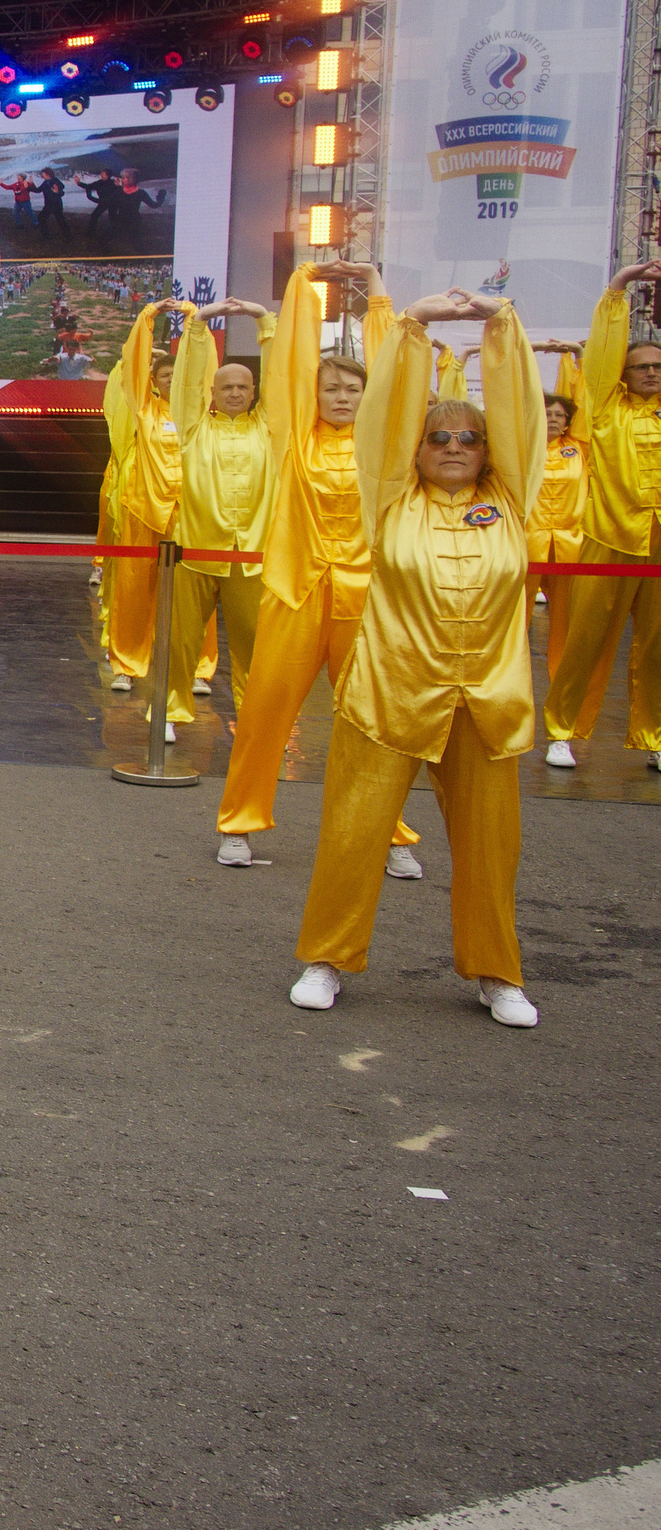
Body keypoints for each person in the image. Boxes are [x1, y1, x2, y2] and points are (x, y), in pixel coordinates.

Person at [289, 288, 542, 1027]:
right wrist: (413, 329)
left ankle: (499, 973)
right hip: (388, 695)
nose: (455, 448)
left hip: (488, 700)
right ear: (419, 451)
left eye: (469, 439)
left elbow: (523, 414)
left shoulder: (512, 503)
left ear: (489, 452)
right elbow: (386, 419)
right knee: (353, 833)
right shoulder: (390, 498)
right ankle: (325, 958)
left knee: (492, 849)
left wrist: (501, 332)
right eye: (441, 439)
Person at [214, 262, 420, 876]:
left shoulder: (386, 447)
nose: (340, 397)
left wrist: (376, 286)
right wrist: (302, 285)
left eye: (353, 390)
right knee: (264, 713)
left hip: (367, 600)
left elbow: (396, 371)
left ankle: (390, 832)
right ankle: (239, 823)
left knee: (375, 721)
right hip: (295, 592)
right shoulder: (292, 440)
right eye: (330, 388)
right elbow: (291, 368)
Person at [540, 260, 661, 773]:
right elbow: (606, 349)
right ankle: (562, 731)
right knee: (585, 641)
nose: (652, 373)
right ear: (623, 375)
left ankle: (653, 736)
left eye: (659, 366)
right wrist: (618, 290)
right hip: (609, 540)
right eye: (642, 367)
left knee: (656, 648)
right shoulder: (608, 409)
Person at [165, 300, 275, 733]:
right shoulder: (194, 428)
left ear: (254, 392)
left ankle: (257, 722)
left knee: (255, 646)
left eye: (242, 387)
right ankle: (171, 710)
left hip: (251, 555)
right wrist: (199, 324)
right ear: (213, 393)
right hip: (195, 550)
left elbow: (285, 379)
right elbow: (187, 383)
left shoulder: (270, 427)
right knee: (180, 640)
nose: (233, 392)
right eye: (225, 386)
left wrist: (262, 319)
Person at [101, 301, 183, 692]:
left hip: (187, 515)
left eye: (176, 374)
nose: (170, 379)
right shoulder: (143, 409)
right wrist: (147, 316)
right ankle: (126, 661)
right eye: (163, 374)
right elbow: (130, 366)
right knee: (134, 590)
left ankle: (195, 668)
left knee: (187, 600)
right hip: (142, 506)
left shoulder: (199, 414)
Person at [525, 360, 587, 678]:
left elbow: (590, 403)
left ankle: (561, 680)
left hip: (568, 546)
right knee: (516, 620)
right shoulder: (522, 450)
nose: (552, 419)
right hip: (527, 545)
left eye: (558, 415)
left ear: (567, 423)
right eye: (546, 413)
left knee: (564, 620)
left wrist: (578, 359)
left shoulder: (579, 450)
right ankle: (510, 680)